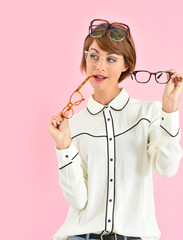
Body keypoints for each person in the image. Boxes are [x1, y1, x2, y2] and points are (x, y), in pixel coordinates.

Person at [48, 19, 183, 240]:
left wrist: (170, 110)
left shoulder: (147, 114)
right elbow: (77, 200)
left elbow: (167, 169)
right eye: (93, 56)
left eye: (110, 59)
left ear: (126, 65)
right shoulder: (73, 125)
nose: (99, 66)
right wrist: (63, 145)